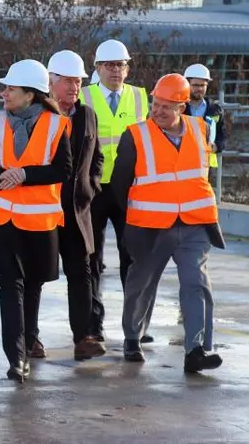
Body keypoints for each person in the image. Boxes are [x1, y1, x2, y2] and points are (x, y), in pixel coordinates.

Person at [112, 73, 225, 373]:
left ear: (183, 106)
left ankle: (196, 350)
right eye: (155, 104)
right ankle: (132, 337)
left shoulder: (200, 129)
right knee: (141, 284)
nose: (158, 111)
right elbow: (120, 184)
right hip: (150, 227)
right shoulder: (135, 135)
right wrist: (132, 223)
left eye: (167, 106)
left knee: (196, 285)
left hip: (194, 224)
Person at [0, 59, 72, 383]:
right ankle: (15, 358)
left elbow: (63, 169)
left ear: (30, 95)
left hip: (39, 225)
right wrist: (4, 177)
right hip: (1, 222)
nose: (3, 94)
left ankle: (27, 341)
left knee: (32, 286)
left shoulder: (57, 126)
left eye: (10, 89)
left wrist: (25, 175)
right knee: (9, 287)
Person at [79, 39, 149, 343]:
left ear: (128, 68)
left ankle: (135, 325)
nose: (115, 71)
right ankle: (94, 324)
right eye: (109, 65)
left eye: (120, 65)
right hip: (93, 190)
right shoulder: (84, 97)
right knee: (90, 258)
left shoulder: (140, 98)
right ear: (97, 69)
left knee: (133, 258)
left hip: (129, 189)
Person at [45, 50, 106, 360]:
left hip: (78, 211)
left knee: (81, 275)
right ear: (51, 83)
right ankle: (29, 338)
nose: (73, 87)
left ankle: (82, 337)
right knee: (36, 276)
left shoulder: (87, 115)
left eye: (78, 81)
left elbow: (98, 157)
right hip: (42, 210)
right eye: (67, 81)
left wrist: (90, 187)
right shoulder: (40, 114)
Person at [183, 64, 226, 180]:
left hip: (205, 167)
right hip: (182, 163)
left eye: (203, 85)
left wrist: (216, 146)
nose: (200, 89)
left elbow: (222, 137)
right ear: (187, 84)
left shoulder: (215, 110)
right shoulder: (179, 108)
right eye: (196, 85)